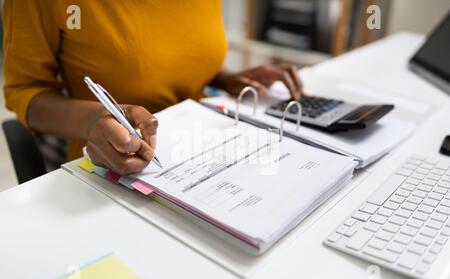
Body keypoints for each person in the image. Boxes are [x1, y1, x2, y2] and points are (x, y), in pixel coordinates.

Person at [3, 0, 302, 175]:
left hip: (203, 151)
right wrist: (93, 120)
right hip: (112, 166)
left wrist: (225, 78)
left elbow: (177, 51)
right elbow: (24, 89)